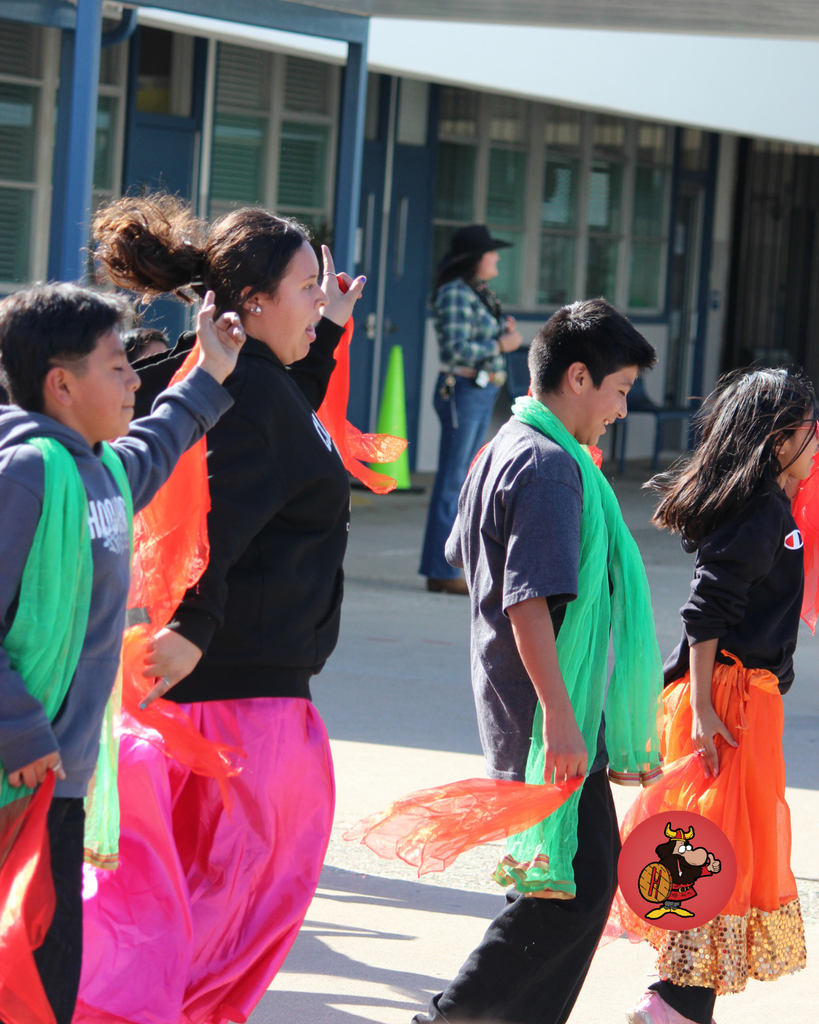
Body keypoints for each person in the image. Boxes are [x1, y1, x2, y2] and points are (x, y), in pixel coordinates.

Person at [75, 194, 365, 1024]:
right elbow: (221, 509)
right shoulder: (249, 399)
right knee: (215, 924)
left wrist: (330, 330)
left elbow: (285, 419)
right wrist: (195, 628)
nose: (321, 296)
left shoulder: (265, 385)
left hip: (257, 697)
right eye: (309, 287)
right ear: (254, 305)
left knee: (237, 917)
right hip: (232, 706)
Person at [0, 282, 244, 1024]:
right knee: (32, 979)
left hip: (58, 778)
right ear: (62, 383)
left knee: (44, 976)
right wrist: (23, 731)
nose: (137, 377)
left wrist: (212, 370)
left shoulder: (100, 470)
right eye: (118, 365)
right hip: (22, 773)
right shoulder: (29, 474)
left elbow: (158, 444)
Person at [413, 299, 661, 1024]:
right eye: (617, 389)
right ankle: (450, 1017)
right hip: (548, 716)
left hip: (525, 705)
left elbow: (466, 555)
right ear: (578, 377)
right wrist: (559, 718)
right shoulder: (552, 468)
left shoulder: (507, 442)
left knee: (563, 885)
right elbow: (527, 602)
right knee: (568, 890)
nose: (620, 408)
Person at [619, 367, 813, 1024]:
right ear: (782, 436)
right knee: (712, 847)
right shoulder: (758, 509)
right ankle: (675, 1002)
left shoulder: (770, 500)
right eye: (811, 430)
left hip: (740, 693)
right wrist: (703, 709)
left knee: (707, 845)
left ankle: (675, 994)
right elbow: (704, 613)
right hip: (726, 696)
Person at [420, 224, 523, 595]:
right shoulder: (454, 294)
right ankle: (440, 569)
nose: (496, 257)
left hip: (477, 392)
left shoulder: (476, 292)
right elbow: (457, 350)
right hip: (462, 390)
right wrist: (502, 342)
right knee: (452, 481)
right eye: (491, 252)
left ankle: (443, 568)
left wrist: (500, 334)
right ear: (475, 259)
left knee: (462, 480)